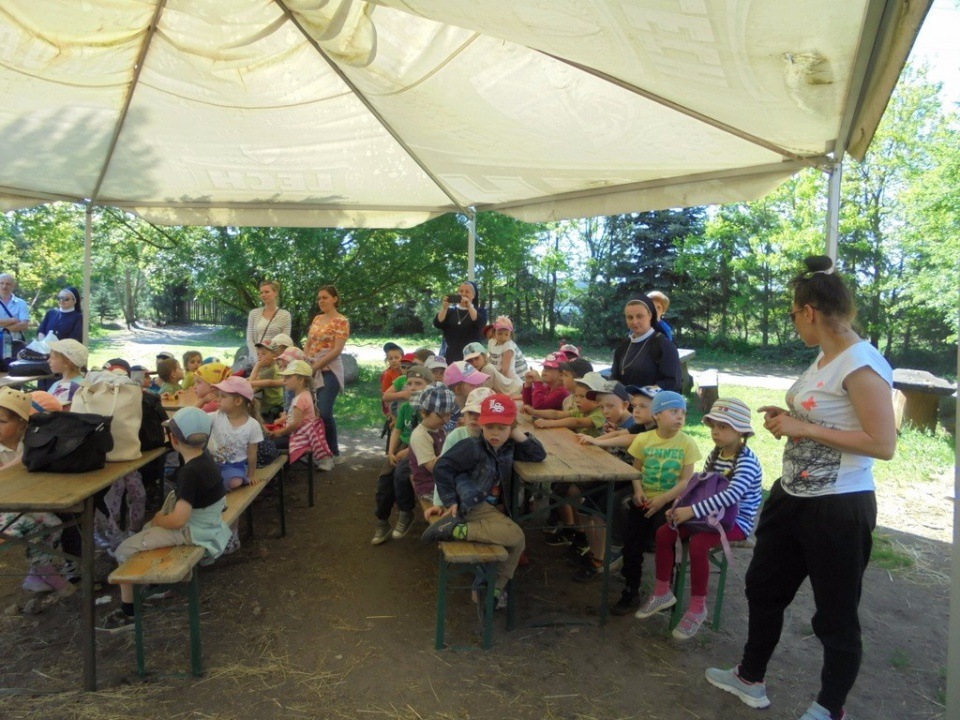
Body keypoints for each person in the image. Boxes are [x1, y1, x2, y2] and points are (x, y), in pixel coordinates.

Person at [706, 256, 896, 720]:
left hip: (838, 507)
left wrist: (803, 428)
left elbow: (883, 444)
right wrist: (790, 418)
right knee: (763, 587)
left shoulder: (862, 364)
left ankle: (829, 708)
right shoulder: (825, 357)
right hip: (792, 496)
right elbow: (826, 415)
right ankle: (750, 677)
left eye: (793, 314)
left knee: (835, 614)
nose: (793, 323)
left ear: (809, 312)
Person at [634, 398, 763, 639]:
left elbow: (731, 496)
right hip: (709, 514)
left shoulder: (746, 461)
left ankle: (697, 607)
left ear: (741, 431)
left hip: (735, 522)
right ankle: (662, 591)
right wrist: (678, 506)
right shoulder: (716, 453)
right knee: (665, 532)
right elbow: (701, 487)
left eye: (723, 427)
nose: (715, 432)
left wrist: (692, 511)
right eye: (713, 426)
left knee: (699, 543)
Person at [98, 407, 232, 632]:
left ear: (174, 440)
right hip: (208, 524)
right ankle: (153, 584)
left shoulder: (189, 472)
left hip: (192, 531)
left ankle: (129, 612)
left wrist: (160, 520)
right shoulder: (206, 460)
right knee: (148, 528)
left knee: (123, 550)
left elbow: (179, 520)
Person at [422, 393, 546, 609]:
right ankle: (456, 530)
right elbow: (442, 467)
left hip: (491, 507)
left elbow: (538, 454)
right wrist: (449, 499)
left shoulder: (509, 447)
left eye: (502, 428)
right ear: (481, 425)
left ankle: (493, 589)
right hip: (473, 505)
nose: (495, 433)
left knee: (516, 543)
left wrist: (516, 432)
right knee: (516, 535)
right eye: (490, 427)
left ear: (511, 428)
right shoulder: (472, 446)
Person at [614, 391, 701, 615]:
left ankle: (665, 591)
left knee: (665, 543)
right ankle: (630, 589)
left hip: (670, 502)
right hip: (644, 499)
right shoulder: (643, 439)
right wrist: (638, 491)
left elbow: (686, 481)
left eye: (683, 413)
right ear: (657, 415)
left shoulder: (687, 443)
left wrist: (663, 499)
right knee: (631, 544)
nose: (680, 417)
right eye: (674, 411)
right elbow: (635, 470)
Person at [371, 365, 433, 545]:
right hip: (402, 446)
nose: (413, 387)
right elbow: (397, 430)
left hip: (421, 447)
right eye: (410, 383)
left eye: (418, 383)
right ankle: (382, 521)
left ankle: (406, 512)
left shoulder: (429, 409)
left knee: (401, 475)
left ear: (429, 386)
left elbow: (430, 436)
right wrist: (391, 451)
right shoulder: (406, 406)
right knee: (384, 480)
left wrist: (409, 450)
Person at [304, 285, 349, 464]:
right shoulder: (317, 319)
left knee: (324, 412)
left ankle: (332, 453)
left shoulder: (341, 321)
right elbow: (308, 343)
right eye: (319, 298)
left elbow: (337, 350)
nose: (321, 301)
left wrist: (316, 366)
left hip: (329, 370)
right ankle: (315, 451)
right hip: (310, 367)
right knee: (310, 411)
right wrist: (305, 362)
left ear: (335, 299)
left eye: (325, 297)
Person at [609, 295, 682, 392]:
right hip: (624, 400)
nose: (634, 322)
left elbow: (672, 382)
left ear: (650, 315)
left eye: (639, 316)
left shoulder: (664, 345)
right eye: (630, 317)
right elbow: (614, 377)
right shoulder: (623, 345)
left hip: (652, 400)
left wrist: (642, 394)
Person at [207, 376, 263, 491]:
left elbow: (252, 454)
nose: (218, 399)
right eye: (218, 395)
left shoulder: (252, 425)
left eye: (223, 396)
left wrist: (251, 475)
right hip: (211, 462)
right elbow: (197, 419)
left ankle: (214, 486)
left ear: (238, 401)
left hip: (234, 466)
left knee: (234, 482)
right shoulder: (215, 416)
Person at [408, 383, 457, 500]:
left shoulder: (439, 428)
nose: (446, 419)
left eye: (449, 414)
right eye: (442, 415)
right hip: (430, 487)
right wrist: (453, 444)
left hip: (443, 481)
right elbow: (433, 467)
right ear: (424, 413)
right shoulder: (420, 436)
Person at [432, 280, 487, 362]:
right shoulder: (449, 311)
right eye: (461, 291)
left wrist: (469, 306)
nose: (463, 294)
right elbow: (437, 323)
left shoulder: (480, 311)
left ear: (473, 296)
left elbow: (480, 323)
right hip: (451, 355)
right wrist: (444, 308)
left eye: (467, 292)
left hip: (472, 356)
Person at [244, 281, 292, 371]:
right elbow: (249, 339)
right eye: (261, 292)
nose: (263, 295)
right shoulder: (254, 313)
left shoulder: (285, 315)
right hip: (256, 361)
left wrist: (272, 358)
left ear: (275, 293)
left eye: (266, 292)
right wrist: (257, 359)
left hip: (276, 362)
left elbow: (285, 341)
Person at [248, 340, 284, 422]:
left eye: (263, 354)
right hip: (275, 403)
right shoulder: (271, 366)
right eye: (258, 354)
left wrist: (257, 366)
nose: (260, 357)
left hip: (272, 406)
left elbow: (251, 381)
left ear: (274, 354)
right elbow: (256, 379)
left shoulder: (270, 370)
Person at [47, 339, 88, 409]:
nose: (48, 360)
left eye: (53, 358)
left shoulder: (77, 386)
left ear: (67, 362)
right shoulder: (57, 384)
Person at [486, 316, 528, 380]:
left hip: (517, 377)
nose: (503, 337)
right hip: (501, 375)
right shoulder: (492, 342)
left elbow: (505, 370)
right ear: (494, 332)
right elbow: (492, 358)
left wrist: (499, 381)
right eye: (499, 333)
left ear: (510, 334)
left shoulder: (508, 346)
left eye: (506, 334)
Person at [0, 273, 30, 360]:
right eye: (1, 283)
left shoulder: (21, 303)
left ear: (13, 286)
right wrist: (13, 320)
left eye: (8, 284)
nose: (4, 286)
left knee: (14, 367)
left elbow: (24, 325)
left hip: (15, 345)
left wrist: (3, 330)